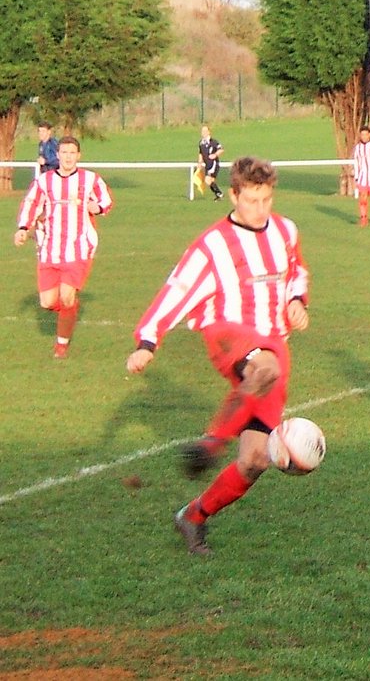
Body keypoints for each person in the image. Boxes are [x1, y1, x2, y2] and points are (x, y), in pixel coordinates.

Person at [125, 156, 311, 555]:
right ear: (234, 194)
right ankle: (212, 443)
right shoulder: (211, 246)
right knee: (266, 364)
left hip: (274, 344)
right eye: (252, 200)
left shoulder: (285, 230)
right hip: (228, 334)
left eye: (266, 199)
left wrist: (297, 300)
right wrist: (147, 341)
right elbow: (176, 291)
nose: (260, 209)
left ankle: (192, 517)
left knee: (255, 460)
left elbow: (297, 271)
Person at [13, 136, 113, 359]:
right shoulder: (44, 181)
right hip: (49, 249)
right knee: (47, 302)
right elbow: (31, 204)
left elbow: (106, 201)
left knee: (66, 296)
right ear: (57, 155)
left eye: (72, 153)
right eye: (64, 153)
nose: (68, 157)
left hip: (78, 248)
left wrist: (93, 206)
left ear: (79, 155)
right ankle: (70, 309)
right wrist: (23, 228)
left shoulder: (90, 179)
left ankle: (61, 344)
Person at [198, 125, 225, 201]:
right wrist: (200, 162)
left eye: (205, 131)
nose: (203, 133)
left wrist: (215, 154)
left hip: (213, 164)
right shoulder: (201, 143)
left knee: (207, 180)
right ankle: (218, 195)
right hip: (207, 165)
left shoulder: (213, 142)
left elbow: (221, 149)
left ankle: (219, 193)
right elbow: (200, 153)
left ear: (209, 132)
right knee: (211, 181)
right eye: (202, 131)